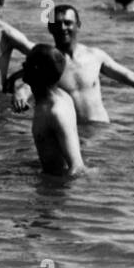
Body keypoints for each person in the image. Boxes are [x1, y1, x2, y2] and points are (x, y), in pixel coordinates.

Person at [8, 4, 134, 123]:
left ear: (79, 25)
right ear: (50, 28)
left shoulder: (95, 56)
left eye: (68, 23)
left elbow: (132, 78)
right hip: (71, 133)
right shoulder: (48, 61)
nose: (63, 28)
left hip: (101, 132)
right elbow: (28, 86)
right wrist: (19, 96)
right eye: (57, 24)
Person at [21, 44, 86, 177]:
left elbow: (77, 167)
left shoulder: (55, 112)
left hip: (57, 187)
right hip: (50, 178)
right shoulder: (59, 96)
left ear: (36, 69)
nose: (22, 65)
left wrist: (59, 195)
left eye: (27, 62)